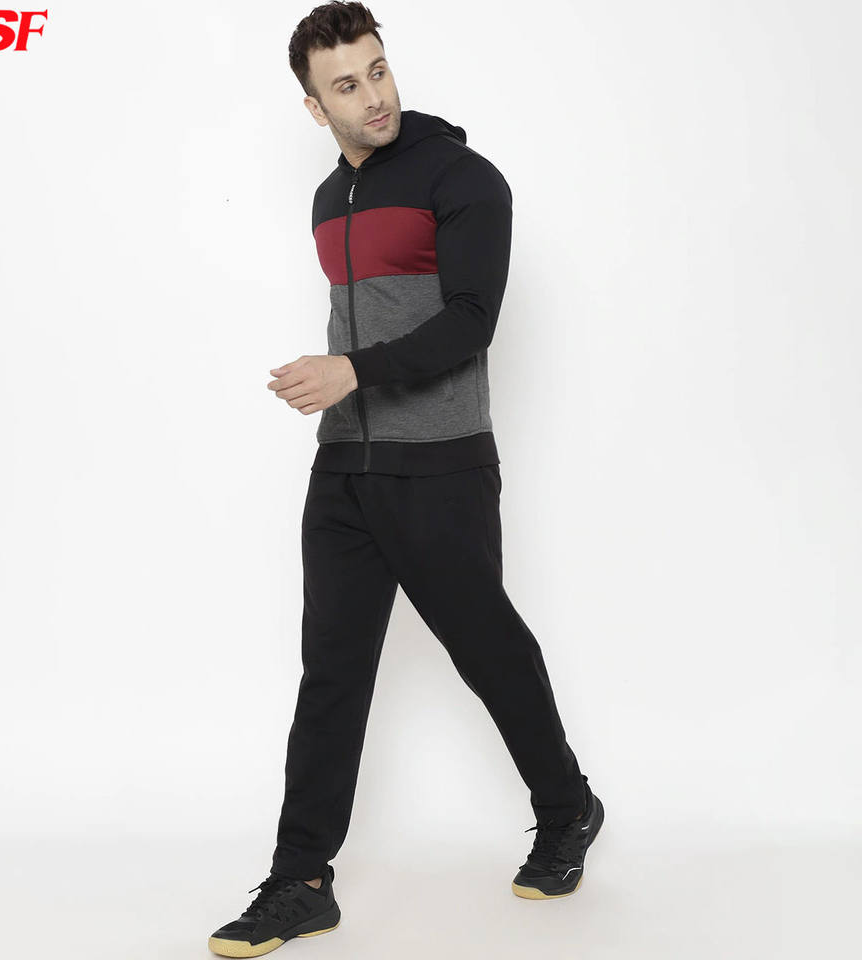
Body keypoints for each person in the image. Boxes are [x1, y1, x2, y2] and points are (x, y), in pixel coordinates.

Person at [208, 3, 604, 956]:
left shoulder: (462, 179)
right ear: (315, 107)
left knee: (487, 651)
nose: (373, 96)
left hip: (440, 463)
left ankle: (567, 807)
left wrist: (350, 370)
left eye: (378, 70)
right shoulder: (327, 198)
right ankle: (301, 880)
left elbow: (470, 319)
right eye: (346, 85)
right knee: (331, 674)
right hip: (344, 466)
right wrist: (341, 388)